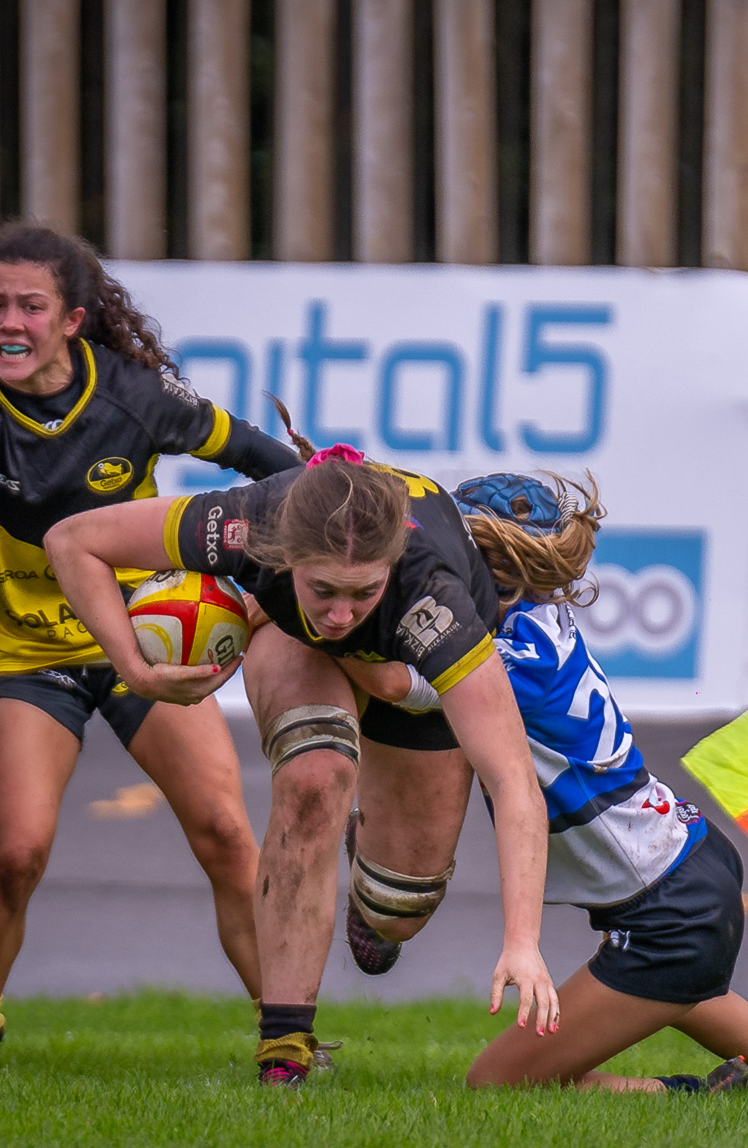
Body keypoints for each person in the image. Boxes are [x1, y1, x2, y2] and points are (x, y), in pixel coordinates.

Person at [0, 222, 297, 1065]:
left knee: (225, 833)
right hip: (33, 657)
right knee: (15, 855)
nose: (8, 323)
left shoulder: (133, 392)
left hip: (147, 637)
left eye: (30, 305)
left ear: (71, 319)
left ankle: (289, 1037)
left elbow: (246, 449)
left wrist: (322, 491)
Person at [43, 438, 559, 1087]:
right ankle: (284, 1047)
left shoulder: (437, 600)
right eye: (323, 589)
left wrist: (523, 941)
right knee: (316, 777)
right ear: (284, 555)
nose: (341, 613)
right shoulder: (244, 523)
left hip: (409, 676)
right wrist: (135, 669)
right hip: (292, 640)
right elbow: (72, 541)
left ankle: (364, 843)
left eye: (361, 591)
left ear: (391, 566)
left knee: (397, 909)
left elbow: (513, 781)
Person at [340, 471, 748, 1094]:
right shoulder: (534, 614)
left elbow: (394, 683)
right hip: (688, 868)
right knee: (678, 987)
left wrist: (311, 615)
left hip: (671, 904)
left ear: (488, 570)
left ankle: (689, 1095)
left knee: (496, 1086)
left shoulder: (503, 660)